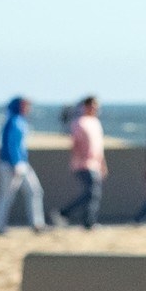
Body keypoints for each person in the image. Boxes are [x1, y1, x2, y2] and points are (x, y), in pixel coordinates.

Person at [0, 96, 44, 235]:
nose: (28, 109)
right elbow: (11, 144)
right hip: (10, 164)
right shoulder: (13, 121)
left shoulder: (20, 121)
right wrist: (15, 163)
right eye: (25, 106)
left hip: (22, 163)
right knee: (7, 195)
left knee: (34, 190)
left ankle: (37, 224)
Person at [59, 95, 107, 228]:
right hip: (83, 164)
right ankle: (70, 215)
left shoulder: (96, 123)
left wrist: (102, 164)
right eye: (92, 106)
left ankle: (85, 220)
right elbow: (75, 144)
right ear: (85, 106)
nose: (95, 109)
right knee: (92, 193)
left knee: (92, 194)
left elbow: (98, 146)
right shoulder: (78, 122)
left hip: (95, 164)